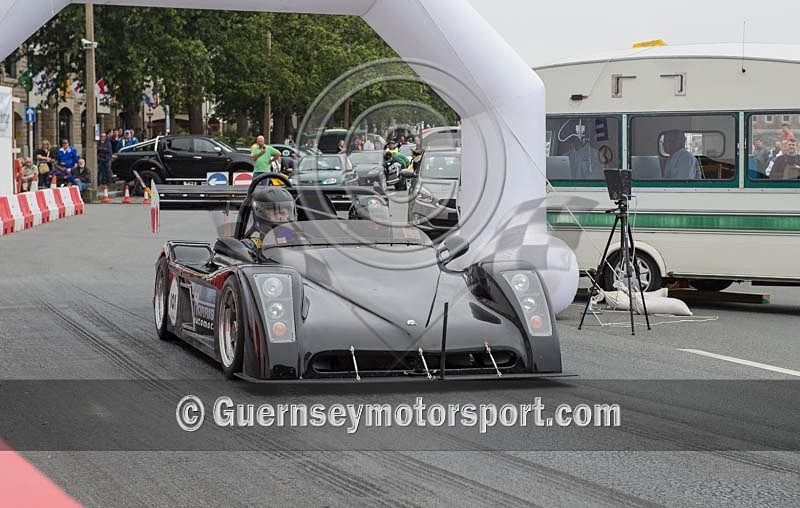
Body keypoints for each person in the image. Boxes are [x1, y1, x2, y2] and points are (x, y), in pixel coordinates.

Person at [243, 187, 298, 251]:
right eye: (275, 214)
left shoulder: (299, 239)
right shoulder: (251, 246)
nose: (280, 217)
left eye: (283, 213)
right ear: (262, 215)